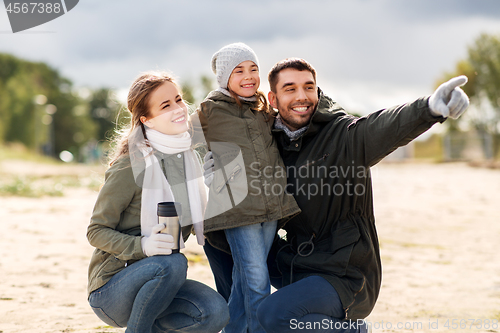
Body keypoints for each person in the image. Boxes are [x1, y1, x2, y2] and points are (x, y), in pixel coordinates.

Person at [205, 58, 469, 333]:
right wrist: (222, 177)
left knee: (273, 315)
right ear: (273, 98)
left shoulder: (342, 135)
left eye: (309, 87)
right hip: (297, 263)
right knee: (218, 238)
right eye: (290, 88)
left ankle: (351, 331)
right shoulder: (272, 146)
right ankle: (236, 323)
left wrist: (428, 108)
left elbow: (380, 127)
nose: (302, 96)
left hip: (344, 274)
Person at [86, 71, 229, 333]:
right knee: (174, 262)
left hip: (159, 285)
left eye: (178, 99)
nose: (178, 108)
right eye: (165, 105)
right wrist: (143, 245)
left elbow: (203, 222)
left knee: (215, 312)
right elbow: (95, 231)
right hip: (112, 288)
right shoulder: (131, 165)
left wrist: (214, 182)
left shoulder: (188, 159)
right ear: (147, 120)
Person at [198, 43, 301, 333]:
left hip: (270, 205)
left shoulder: (263, 109)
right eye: (238, 70)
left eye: (253, 69)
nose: (248, 76)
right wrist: (205, 168)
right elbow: (176, 136)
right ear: (223, 79)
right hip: (238, 209)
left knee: (246, 279)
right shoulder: (210, 110)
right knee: (257, 281)